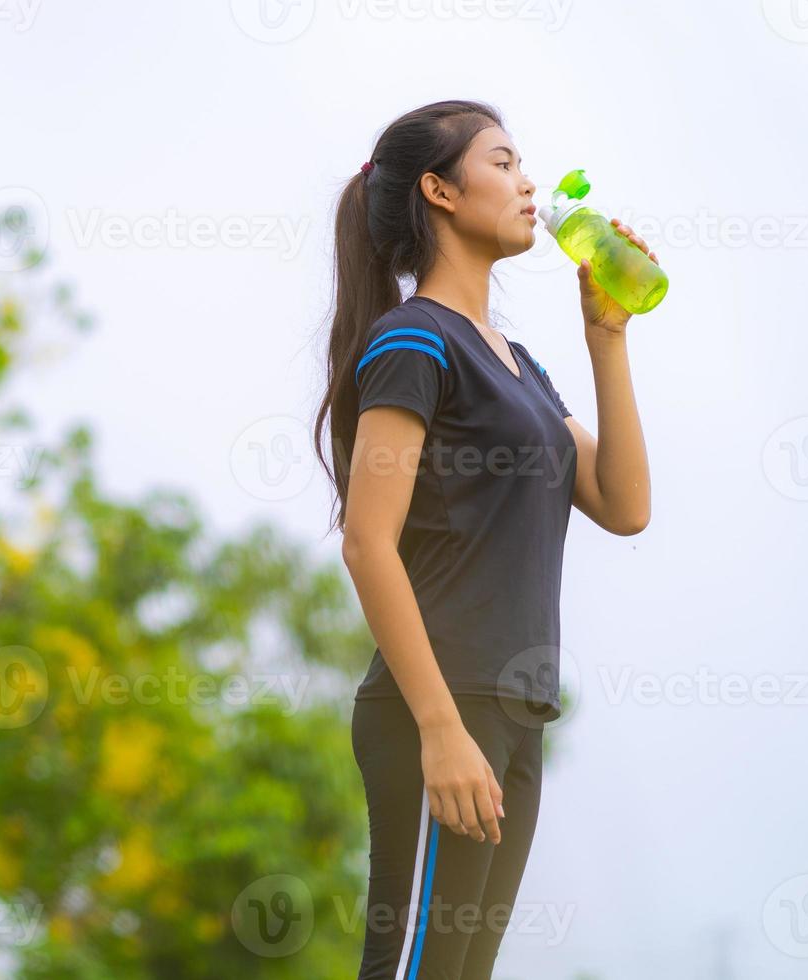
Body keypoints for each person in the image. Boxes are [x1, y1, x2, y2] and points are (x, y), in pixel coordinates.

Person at [312, 100, 656, 978]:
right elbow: (366, 542)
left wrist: (606, 337)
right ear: (440, 191)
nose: (528, 182)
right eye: (502, 162)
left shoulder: (521, 366)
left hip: (515, 712)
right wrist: (438, 728)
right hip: (440, 707)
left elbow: (624, 504)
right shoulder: (415, 341)